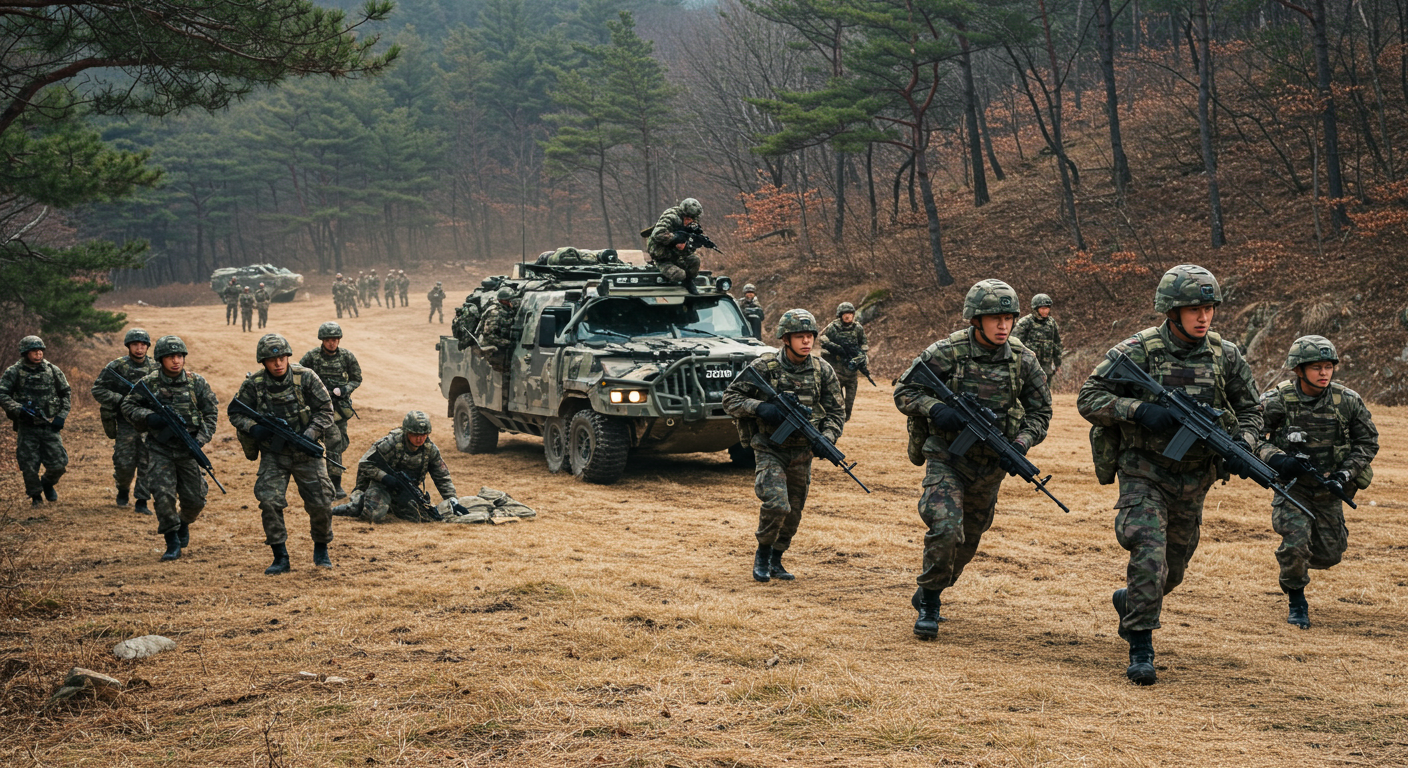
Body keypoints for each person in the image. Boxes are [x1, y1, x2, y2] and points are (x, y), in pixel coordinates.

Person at [1077, 264, 1261, 686]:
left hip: (1195, 478)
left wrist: (1245, 445)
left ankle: (1131, 602)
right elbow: (1090, 397)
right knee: (1149, 554)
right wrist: (1140, 410)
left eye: (1209, 308)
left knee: (1171, 571)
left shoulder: (1225, 355)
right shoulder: (1139, 350)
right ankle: (1140, 644)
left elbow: (1252, 410)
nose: (1203, 317)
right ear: (1172, 311)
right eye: (1193, 309)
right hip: (1144, 472)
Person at [894, 280, 1051, 638]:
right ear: (976, 320)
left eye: (1009, 318)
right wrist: (936, 408)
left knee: (969, 540)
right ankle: (931, 603)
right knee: (946, 527)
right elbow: (905, 390)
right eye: (995, 318)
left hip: (991, 463)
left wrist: (1021, 444)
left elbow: (1041, 412)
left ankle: (932, 588)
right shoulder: (947, 351)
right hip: (947, 456)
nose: (1003, 326)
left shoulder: (1024, 359)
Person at [1256, 335, 1378, 629]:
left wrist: (1344, 474)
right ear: (1298, 370)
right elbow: (1251, 436)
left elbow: (1367, 441)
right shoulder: (1277, 400)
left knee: (1330, 554)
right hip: (1292, 487)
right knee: (1295, 545)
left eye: (1328, 366)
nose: (1324, 373)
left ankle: (1300, 561)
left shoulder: (1347, 400)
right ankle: (1297, 600)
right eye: (1316, 368)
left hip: (1330, 490)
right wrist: (1277, 459)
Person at [722, 309, 846, 583]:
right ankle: (763, 554)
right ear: (785, 339)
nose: (806, 342)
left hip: (802, 451)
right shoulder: (764, 368)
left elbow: (837, 412)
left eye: (810, 336)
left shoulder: (822, 370)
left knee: (794, 512)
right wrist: (761, 407)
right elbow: (730, 398)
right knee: (777, 504)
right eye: (799, 336)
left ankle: (777, 558)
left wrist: (827, 437)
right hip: (770, 447)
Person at [228, 333, 337, 575]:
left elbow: (326, 410)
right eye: (271, 360)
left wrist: (310, 433)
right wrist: (253, 428)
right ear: (263, 362)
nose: (278, 364)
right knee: (269, 501)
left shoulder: (306, 377)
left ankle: (321, 548)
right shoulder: (254, 384)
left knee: (321, 502)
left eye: (281, 358)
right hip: (274, 455)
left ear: (288, 357)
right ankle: (280, 556)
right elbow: (235, 412)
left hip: (305, 453)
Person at [120, 335, 219, 561]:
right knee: (163, 496)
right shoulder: (150, 382)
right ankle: (172, 540)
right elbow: (128, 405)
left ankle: (184, 522)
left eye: (179, 356)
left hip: (188, 449)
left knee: (195, 500)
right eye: (170, 357)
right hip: (160, 448)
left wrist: (200, 440)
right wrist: (150, 417)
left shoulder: (197, 382)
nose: (176, 361)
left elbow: (211, 412)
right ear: (161, 359)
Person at [332, 411, 458, 523]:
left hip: (405, 490)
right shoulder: (391, 443)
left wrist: (452, 500)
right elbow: (365, 464)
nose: (420, 438)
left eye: (424, 434)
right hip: (381, 486)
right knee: (374, 515)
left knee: (420, 517)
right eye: (415, 434)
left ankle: (389, 505)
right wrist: (385, 477)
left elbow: (442, 476)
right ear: (407, 431)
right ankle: (357, 503)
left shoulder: (430, 450)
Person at [91, 328, 159, 513]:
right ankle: (123, 489)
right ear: (128, 346)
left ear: (147, 347)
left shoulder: (156, 368)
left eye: (143, 345)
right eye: (135, 345)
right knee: (124, 463)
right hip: (125, 422)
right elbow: (98, 389)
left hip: (149, 423)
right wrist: (121, 400)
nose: (139, 348)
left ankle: (142, 501)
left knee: (147, 461)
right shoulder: (116, 367)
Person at [0, 336, 71, 505]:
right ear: (25, 353)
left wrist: (61, 416)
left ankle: (47, 484)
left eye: (40, 351)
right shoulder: (14, 372)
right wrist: (18, 410)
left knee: (59, 464)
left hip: (49, 425)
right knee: (29, 465)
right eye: (34, 351)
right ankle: (36, 496)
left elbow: (66, 393)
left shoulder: (52, 370)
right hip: (27, 427)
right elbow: (2, 394)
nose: (38, 354)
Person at [298, 322, 363, 499]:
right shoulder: (312, 357)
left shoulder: (347, 357)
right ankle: (334, 483)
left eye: (335, 340)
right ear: (322, 340)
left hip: (339, 408)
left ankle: (328, 477)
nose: (332, 343)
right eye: (328, 340)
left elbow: (357, 378)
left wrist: (344, 389)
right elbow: (299, 375)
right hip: (318, 408)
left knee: (341, 443)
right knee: (333, 441)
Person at [819, 302, 869, 420]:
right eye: (845, 314)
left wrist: (861, 355)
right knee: (838, 398)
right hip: (837, 368)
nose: (848, 316)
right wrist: (833, 347)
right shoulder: (833, 327)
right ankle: (839, 418)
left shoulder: (858, 328)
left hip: (851, 370)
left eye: (850, 314)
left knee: (850, 400)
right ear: (840, 315)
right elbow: (822, 338)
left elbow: (864, 343)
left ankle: (847, 416)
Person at [646, 197, 706, 293]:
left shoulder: (694, 221)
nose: (691, 221)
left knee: (695, 260)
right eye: (688, 218)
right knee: (679, 275)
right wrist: (675, 239)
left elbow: (693, 243)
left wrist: (686, 246)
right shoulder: (671, 216)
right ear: (684, 215)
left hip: (678, 255)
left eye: (693, 219)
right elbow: (658, 234)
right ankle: (662, 269)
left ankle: (688, 281)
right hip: (662, 255)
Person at [1013, 293, 1062, 382]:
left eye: (1047, 308)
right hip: (1028, 364)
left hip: (1046, 365)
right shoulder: (1025, 322)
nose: (1045, 311)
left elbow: (1056, 343)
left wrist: (1057, 363)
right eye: (1042, 308)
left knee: (1045, 391)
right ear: (1035, 309)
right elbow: (1015, 342)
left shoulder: (1051, 323)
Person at [477, 286, 519, 372]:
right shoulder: (495, 312)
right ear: (503, 300)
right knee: (504, 371)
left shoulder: (505, 308)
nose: (511, 302)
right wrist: (508, 343)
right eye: (509, 300)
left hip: (500, 345)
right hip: (492, 348)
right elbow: (489, 335)